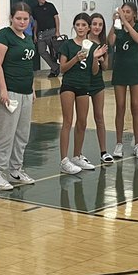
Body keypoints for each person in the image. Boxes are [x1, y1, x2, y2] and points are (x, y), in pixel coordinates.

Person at [0, 2, 37, 189]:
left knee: (22, 134)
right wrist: (2, 89)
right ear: (11, 17)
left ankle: (16, 170)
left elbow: (29, 66)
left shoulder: (27, 38)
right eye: (18, 18)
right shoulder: (3, 36)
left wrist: (32, 88)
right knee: (5, 134)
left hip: (25, 91)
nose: (22, 22)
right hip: (8, 91)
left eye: (26, 19)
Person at [58, 13, 96, 173]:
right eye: (78, 25)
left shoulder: (93, 46)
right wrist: (76, 58)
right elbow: (62, 68)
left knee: (82, 122)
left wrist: (95, 58)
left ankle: (77, 156)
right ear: (74, 26)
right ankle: (64, 160)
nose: (80, 28)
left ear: (88, 28)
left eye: (83, 25)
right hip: (68, 85)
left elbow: (94, 72)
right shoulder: (67, 44)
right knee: (68, 121)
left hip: (84, 85)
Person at [111, 1, 138, 157]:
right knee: (120, 106)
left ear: (134, 14)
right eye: (123, 11)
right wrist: (114, 23)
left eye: (127, 11)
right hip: (120, 70)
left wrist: (125, 22)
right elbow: (110, 41)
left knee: (136, 105)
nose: (124, 14)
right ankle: (119, 144)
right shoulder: (119, 26)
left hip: (135, 70)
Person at [88, 13, 113, 163]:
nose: (97, 27)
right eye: (94, 24)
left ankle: (103, 151)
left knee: (99, 117)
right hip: (83, 82)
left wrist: (101, 58)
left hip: (97, 83)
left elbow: (105, 67)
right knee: (82, 120)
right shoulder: (84, 41)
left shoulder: (103, 43)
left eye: (100, 24)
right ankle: (78, 155)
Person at [32, 0, 61, 78]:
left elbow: (56, 17)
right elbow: (35, 22)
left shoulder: (50, 6)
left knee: (53, 52)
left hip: (51, 31)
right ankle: (56, 67)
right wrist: (35, 34)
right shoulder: (35, 9)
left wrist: (57, 31)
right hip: (41, 33)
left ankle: (53, 70)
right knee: (41, 51)